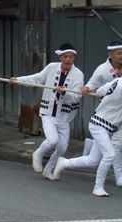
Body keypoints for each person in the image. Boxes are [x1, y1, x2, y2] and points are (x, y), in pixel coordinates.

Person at [10, 43, 84, 180]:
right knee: (52, 139)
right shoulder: (51, 68)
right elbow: (37, 78)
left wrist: (64, 93)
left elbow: (76, 97)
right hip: (48, 112)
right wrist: (18, 80)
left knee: (62, 148)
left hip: (64, 116)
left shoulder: (78, 74)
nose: (68, 59)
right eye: (65, 56)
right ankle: (38, 154)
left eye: (71, 57)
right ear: (60, 57)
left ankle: (48, 170)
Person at [52, 67, 122, 196]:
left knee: (93, 160)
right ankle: (98, 187)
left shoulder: (116, 81)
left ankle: (65, 163)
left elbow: (100, 92)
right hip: (99, 124)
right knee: (110, 155)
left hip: (105, 124)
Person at [79, 41, 122, 156]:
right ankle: (94, 148)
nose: (121, 56)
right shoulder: (102, 69)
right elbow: (92, 84)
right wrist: (86, 88)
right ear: (110, 55)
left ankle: (93, 145)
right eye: (119, 53)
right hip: (107, 108)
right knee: (109, 138)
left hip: (120, 108)